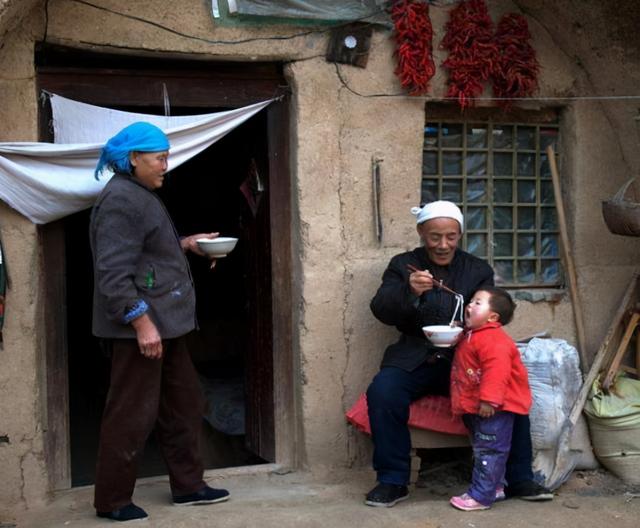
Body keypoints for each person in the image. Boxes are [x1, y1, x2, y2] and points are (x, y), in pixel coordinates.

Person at [364, 201, 552, 507]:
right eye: (434, 237)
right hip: (415, 354)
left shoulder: (477, 269)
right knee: (383, 392)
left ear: (460, 234)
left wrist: (466, 328)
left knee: (509, 395)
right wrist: (409, 291)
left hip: (467, 358)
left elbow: (492, 313)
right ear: (421, 232)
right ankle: (392, 480)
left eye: (451, 236)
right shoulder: (403, 265)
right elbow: (381, 309)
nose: (442, 245)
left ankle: (519, 478)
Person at [90, 122, 229, 522]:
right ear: (133, 158)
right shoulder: (121, 200)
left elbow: (144, 253)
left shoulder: (139, 194)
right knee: (131, 414)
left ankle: (189, 487)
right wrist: (141, 324)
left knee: (184, 403)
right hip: (142, 329)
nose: (166, 165)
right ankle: (112, 501)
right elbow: (113, 275)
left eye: (167, 156)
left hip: (166, 326)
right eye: (159, 158)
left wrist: (185, 244)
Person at [449, 287, 531, 511]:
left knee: (490, 450)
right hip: (479, 407)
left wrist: (489, 401)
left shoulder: (493, 340)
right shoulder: (474, 334)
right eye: (471, 300)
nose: (469, 305)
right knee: (485, 447)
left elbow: (497, 371)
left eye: (477, 303)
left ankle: (480, 497)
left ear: (493, 317)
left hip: (495, 407)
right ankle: (495, 488)